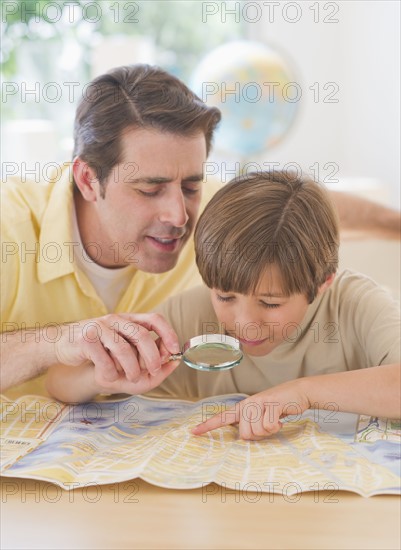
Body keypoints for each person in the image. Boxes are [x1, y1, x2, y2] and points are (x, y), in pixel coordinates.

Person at [1, 63, 400, 397]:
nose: (179, 215)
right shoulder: (9, 226)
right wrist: (57, 344)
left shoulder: (216, 217)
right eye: (149, 189)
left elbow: (309, 207)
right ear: (88, 180)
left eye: (192, 185)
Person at [46, 171, 401, 440]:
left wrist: (302, 393)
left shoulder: (355, 306)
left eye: (270, 303)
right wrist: (102, 372)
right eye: (226, 296)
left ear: (323, 283)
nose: (245, 323)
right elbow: (59, 384)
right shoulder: (190, 316)